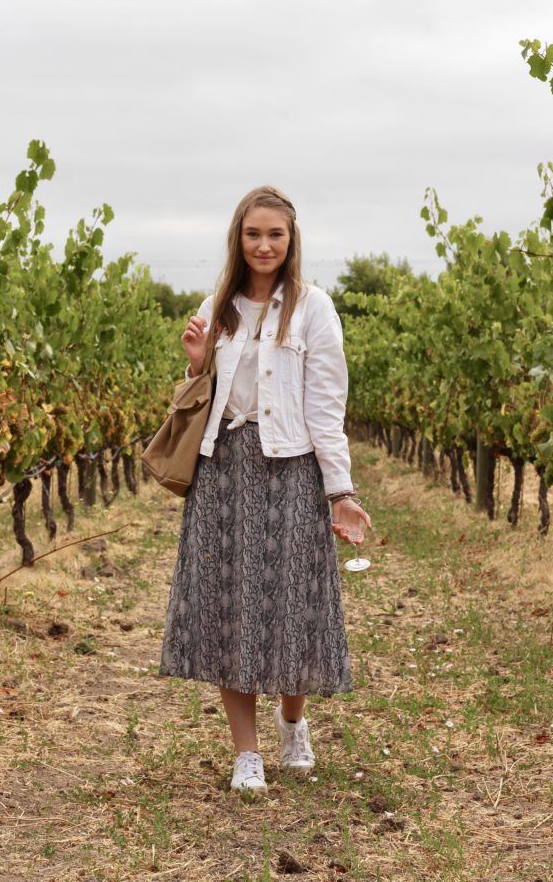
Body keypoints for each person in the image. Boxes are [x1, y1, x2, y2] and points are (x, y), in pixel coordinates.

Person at [159, 185, 371, 795]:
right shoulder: (217, 305)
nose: (264, 245)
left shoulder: (314, 309)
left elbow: (327, 409)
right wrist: (198, 362)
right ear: (238, 237)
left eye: (275, 234)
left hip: (292, 470)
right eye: (254, 234)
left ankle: (293, 723)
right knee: (230, 608)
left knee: (291, 608)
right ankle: (246, 754)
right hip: (225, 469)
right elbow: (200, 398)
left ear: (291, 239)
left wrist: (341, 491)